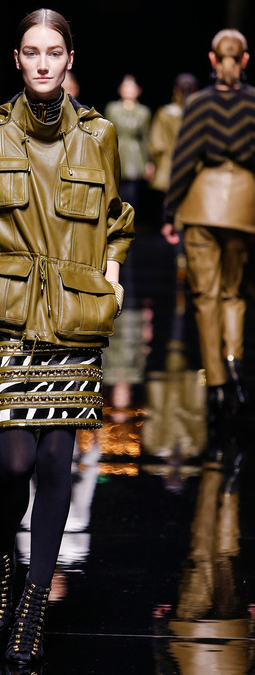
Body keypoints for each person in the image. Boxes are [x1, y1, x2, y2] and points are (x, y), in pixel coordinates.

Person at [0, 8, 135, 667]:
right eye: (31, 51)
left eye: (54, 51)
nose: (43, 62)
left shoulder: (99, 134)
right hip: (10, 316)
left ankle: (32, 607)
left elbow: (116, 219)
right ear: (16, 60)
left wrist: (111, 280)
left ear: (70, 59)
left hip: (74, 315)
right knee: (15, 462)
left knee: (55, 463)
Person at [162, 29, 255, 451]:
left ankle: (216, 384)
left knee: (206, 297)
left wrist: (170, 212)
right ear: (245, 59)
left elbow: (183, 159)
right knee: (234, 294)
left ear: (213, 60)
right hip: (244, 210)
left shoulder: (198, 103)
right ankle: (234, 362)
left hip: (203, 208)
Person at [104, 74, 153, 211]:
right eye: (126, 86)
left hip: (135, 154)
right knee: (115, 190)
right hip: (117, 149)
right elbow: (106, 133)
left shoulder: (143, 112)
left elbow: (146, 137)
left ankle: (129, 219)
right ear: (120, 89)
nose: (129, 90)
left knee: (132, 194)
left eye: (132, 87)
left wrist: (149, 162)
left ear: (138, 90)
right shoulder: (113, 108)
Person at [149, 73, 199, 195]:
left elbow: (156, 144)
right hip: (193, 170)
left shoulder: (164, 113)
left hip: (168, 170)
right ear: (196, 91)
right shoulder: (199, 113)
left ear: (175, 90)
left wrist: (154, 164)